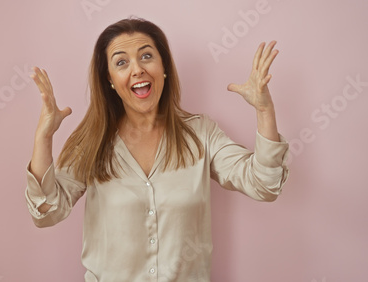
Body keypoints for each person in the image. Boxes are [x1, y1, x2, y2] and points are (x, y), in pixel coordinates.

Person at [25, 17, 289, 282]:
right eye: (121, 62)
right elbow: (46, 212)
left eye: (146, 56)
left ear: (164, 68)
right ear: (110, 80)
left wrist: (265, 111)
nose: (137, 69)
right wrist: (43, 137)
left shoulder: (201, 133)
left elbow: (264, 185)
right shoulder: (92, 141)